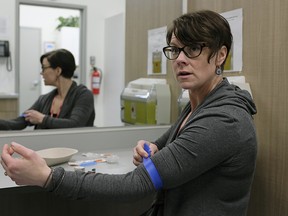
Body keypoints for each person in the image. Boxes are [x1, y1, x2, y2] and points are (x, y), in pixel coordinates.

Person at [1, 10, 257, 215]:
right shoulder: (198, 105)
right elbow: (159, 146)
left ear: (221, 54)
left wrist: (47, 177)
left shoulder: (223, 120)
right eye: (175, 49)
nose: (180, 59)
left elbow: (135, 185)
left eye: (193, 49)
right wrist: (149, 148)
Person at [0, 48, 95, 130]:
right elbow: (19, 122)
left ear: (58, 71)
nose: (42, 73)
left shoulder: (83, 95)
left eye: (44, 68)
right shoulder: (44, 99)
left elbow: (75, 124)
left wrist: (42, 119)